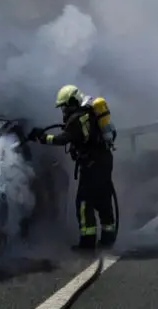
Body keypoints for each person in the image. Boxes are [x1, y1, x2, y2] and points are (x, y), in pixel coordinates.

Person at [30, 84, 118, 251]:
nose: (63, 111)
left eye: (64, 106)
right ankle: (108, 238)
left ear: (72, 102)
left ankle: (87, 243)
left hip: (92, 165)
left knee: (84, 203)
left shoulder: (77, 118)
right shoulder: (90, 112)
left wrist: (42, 137)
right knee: (104, 198)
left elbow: (62, 139)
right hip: (104, 161)